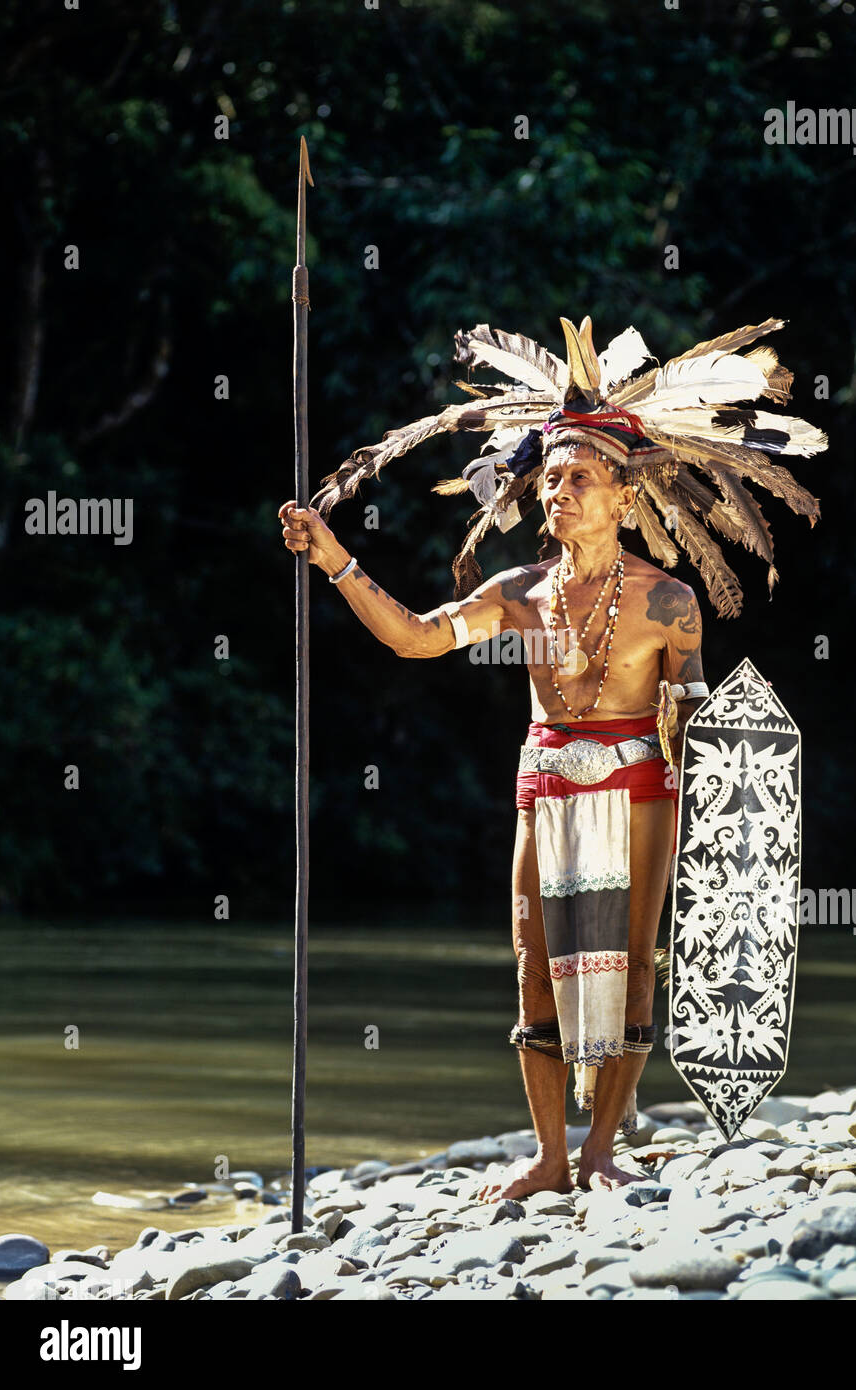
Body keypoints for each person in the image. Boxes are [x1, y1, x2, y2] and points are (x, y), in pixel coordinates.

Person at [280, 431, 706, 1196]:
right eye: (550, 479)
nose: (559, 492)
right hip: (543, 785)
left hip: (640, 788)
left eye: (580, 478)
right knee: (534, 967)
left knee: (635, 965)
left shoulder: (669, 602)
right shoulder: (518, 592)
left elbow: (695, 724)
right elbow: (418, 638)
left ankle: (600, 1150)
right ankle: (548, 1157)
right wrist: (334, 561)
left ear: (625, 499)